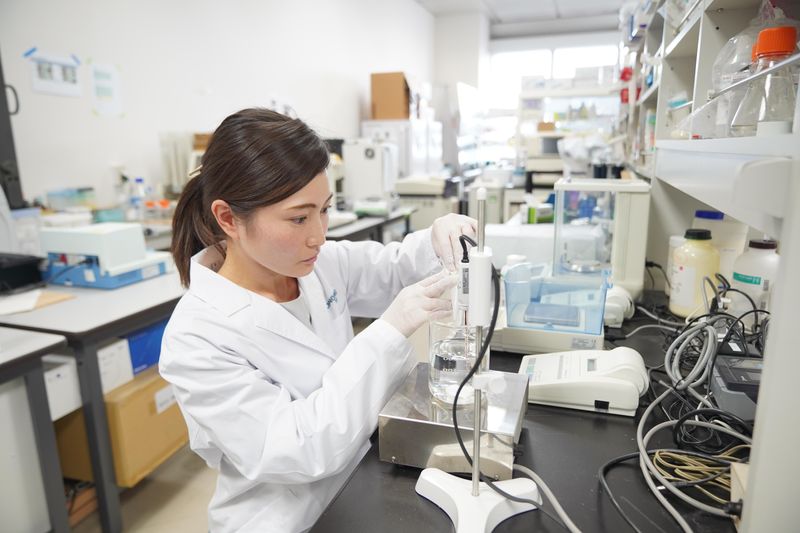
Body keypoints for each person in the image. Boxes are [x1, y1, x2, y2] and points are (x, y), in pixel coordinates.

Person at [159, 108, 477, 532]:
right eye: (299, 218)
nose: (319, 235)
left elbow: (395, 267)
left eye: (324, 210)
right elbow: (296, 449)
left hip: (359, 479)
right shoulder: (197, 337)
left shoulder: (317, 264)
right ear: (229, 218)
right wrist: (387, 332)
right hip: (286, 518)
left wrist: (439, 237)